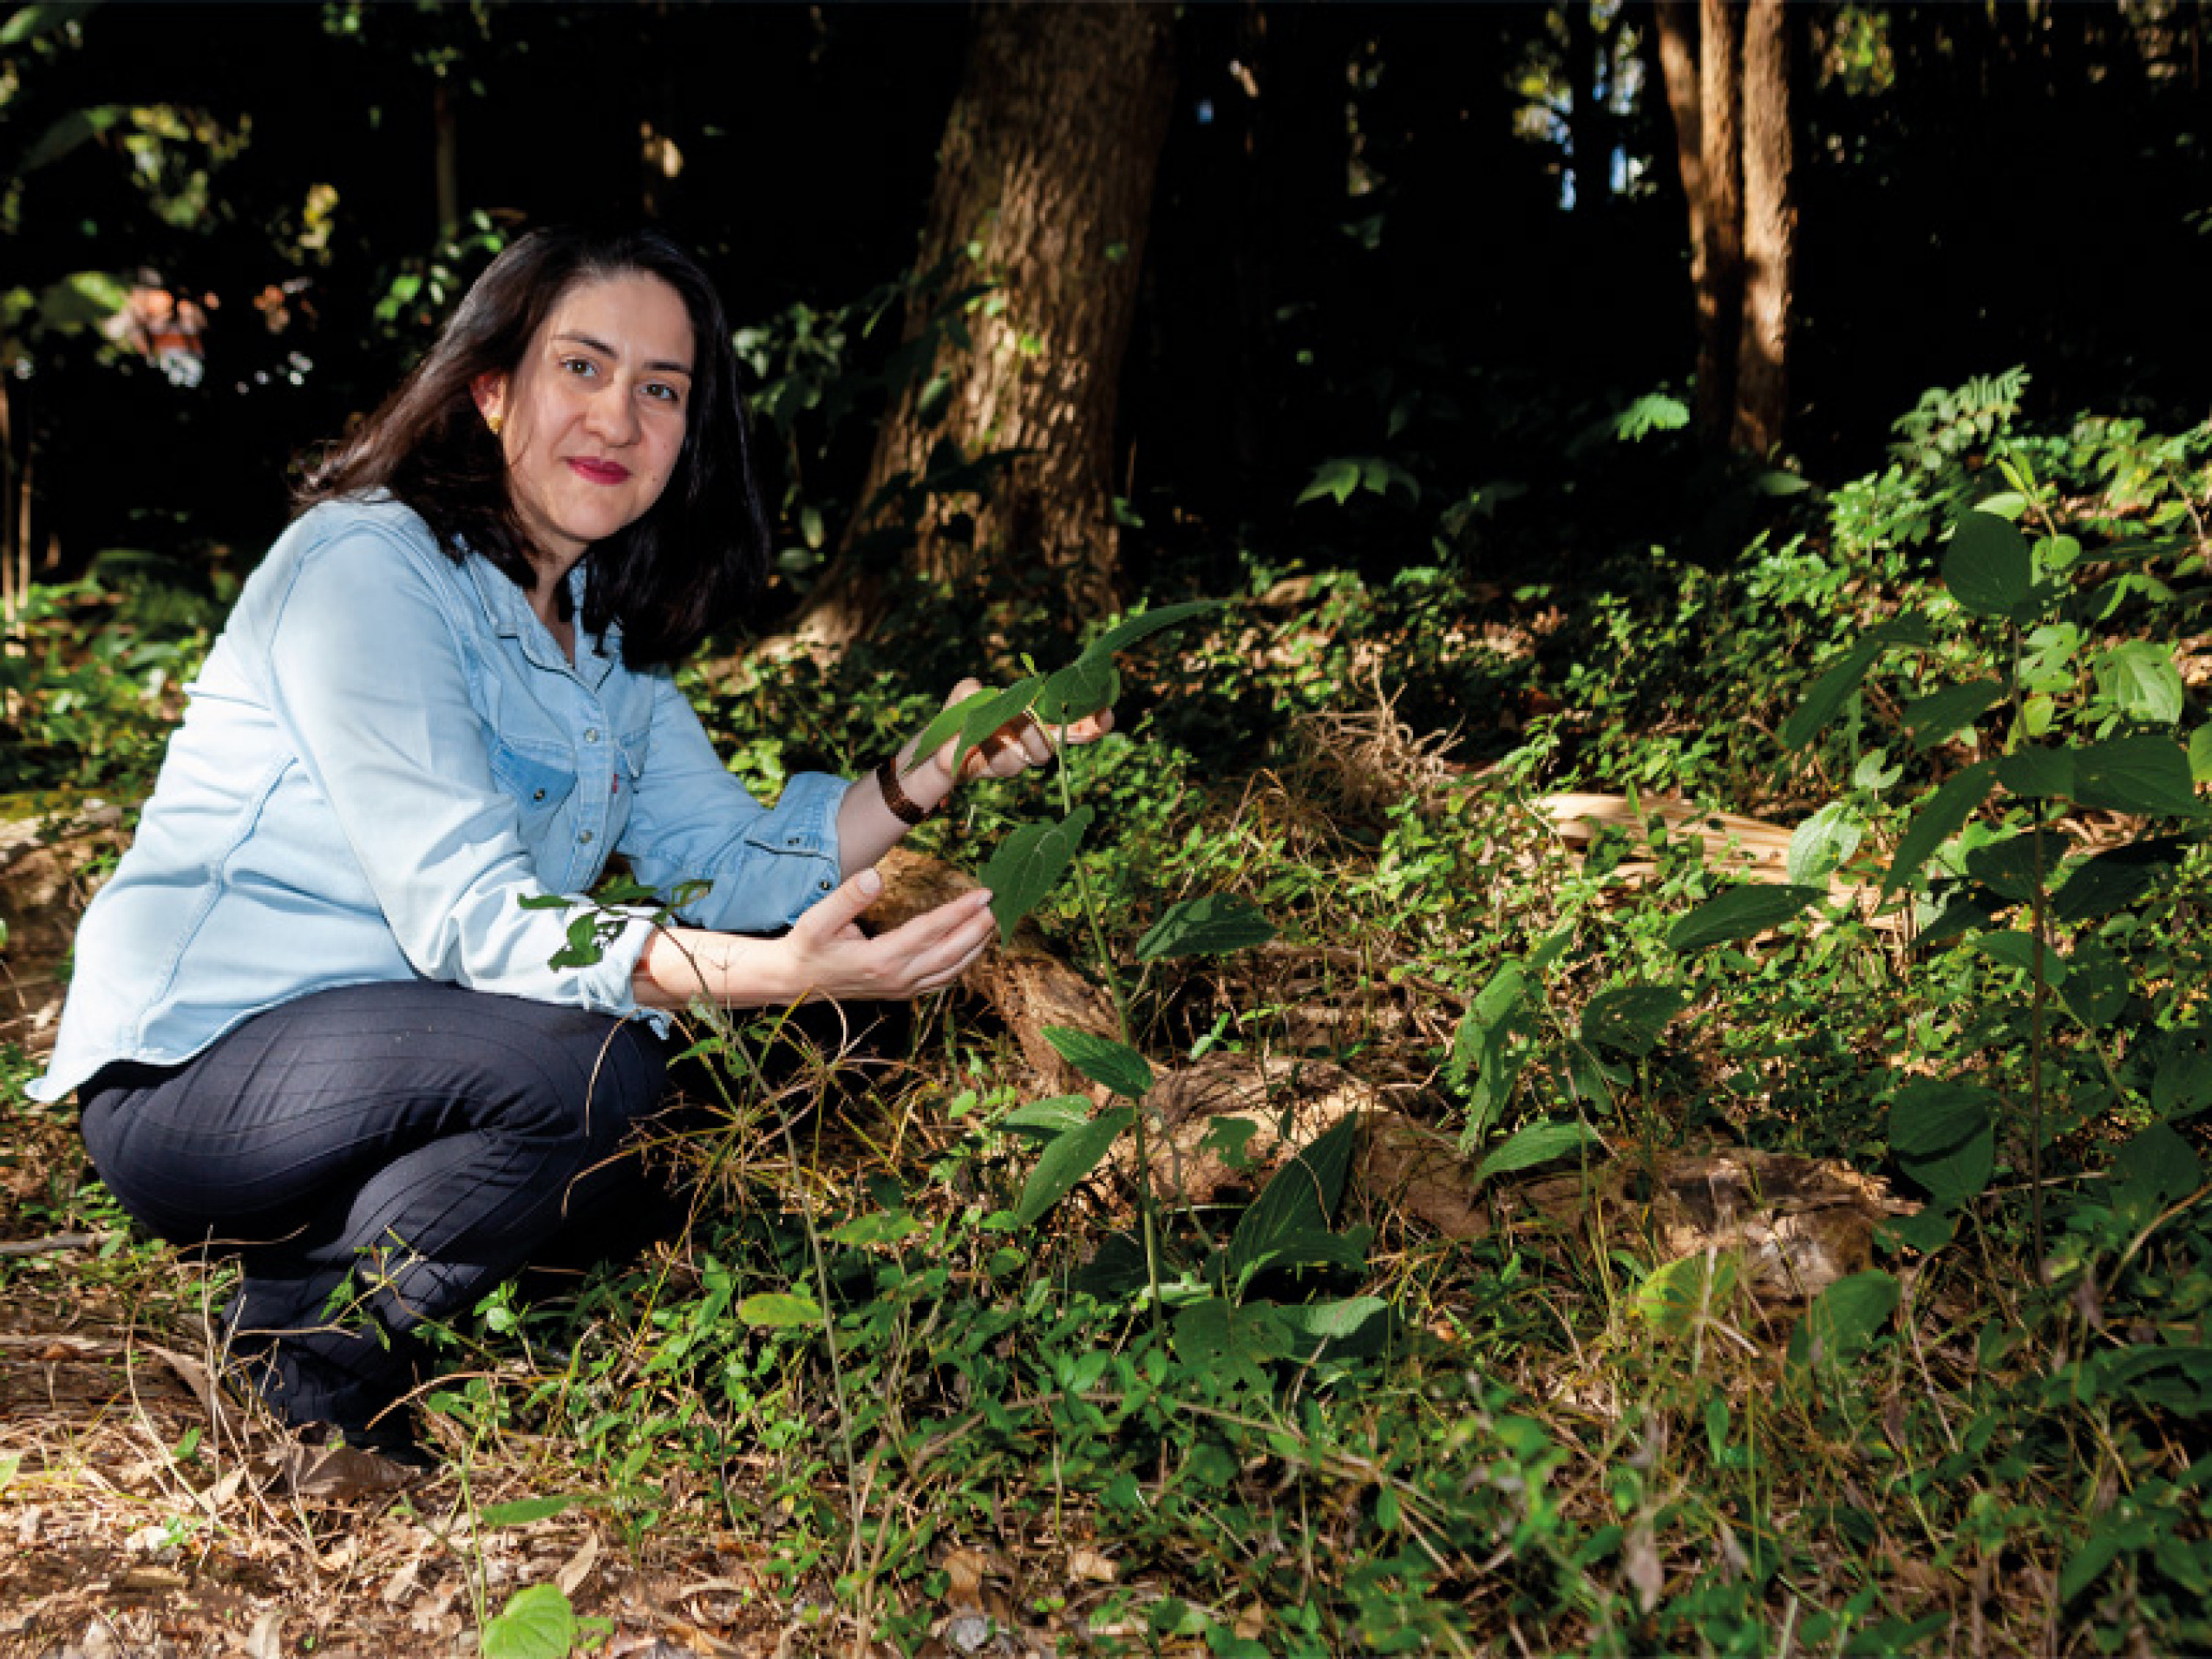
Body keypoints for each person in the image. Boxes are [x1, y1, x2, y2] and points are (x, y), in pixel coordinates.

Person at [29, 226, 1103, 1468]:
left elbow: (732, 864)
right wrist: (786, 974)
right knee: (608, 1066)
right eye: (580, 369)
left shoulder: (601, 634)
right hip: (195, 1076)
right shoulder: (364, 569)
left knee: (680, 1100)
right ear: (492, 391)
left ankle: (316, 1277)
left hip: (406, 1054)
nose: (618, 418)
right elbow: (475, 921)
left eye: (661, 390)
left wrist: (929, 769)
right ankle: (309, 1354)